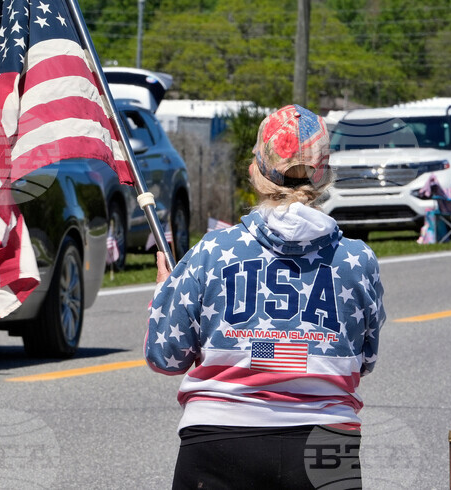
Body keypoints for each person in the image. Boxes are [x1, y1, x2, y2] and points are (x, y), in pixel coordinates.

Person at [145, 104, 385, 489]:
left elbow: (166, 356)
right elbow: (365, 360)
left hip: (217, 440)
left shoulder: (211, 251)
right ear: (324, 177)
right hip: (326, 444)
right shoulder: (357, 260)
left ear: (256, 171)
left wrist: (165, 292)